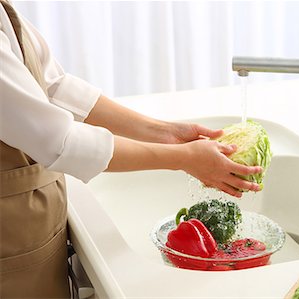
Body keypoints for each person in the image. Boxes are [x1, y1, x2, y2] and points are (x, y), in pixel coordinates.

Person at [0, 1, 262, 297]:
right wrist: (184, 158)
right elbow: (59, 141)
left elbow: (56, 87)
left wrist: (163, 132)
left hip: (29, 223)